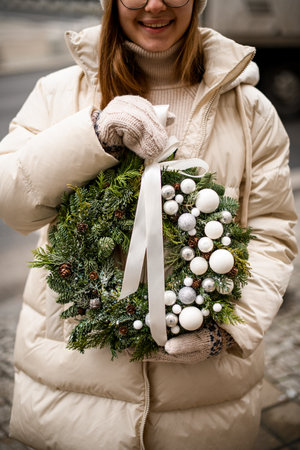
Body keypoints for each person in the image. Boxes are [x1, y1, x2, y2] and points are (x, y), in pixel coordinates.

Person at [0, 0, 297, 448]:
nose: (155, 4)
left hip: (202, 404)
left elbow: (273, 230)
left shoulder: (250, 109)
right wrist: (92, 136)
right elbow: (12, 202)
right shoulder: (59, 94)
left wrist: (227, 328)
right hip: (75, 389)